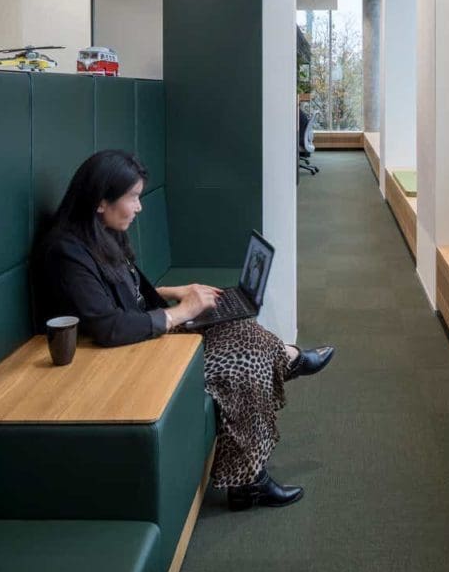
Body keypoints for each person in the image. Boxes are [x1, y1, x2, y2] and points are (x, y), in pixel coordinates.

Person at [41, 149, 334, 510]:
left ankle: (283, 366)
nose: (139, 207)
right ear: (101, 201)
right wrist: (181, 313)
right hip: (117, 356)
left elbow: (122, 293)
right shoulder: (67, 252)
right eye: (133, 197)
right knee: (246, 363)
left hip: (140, 333)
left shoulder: (100, 230)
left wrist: (172, 293)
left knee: (242, 327)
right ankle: (252, 472)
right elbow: (108, 326)